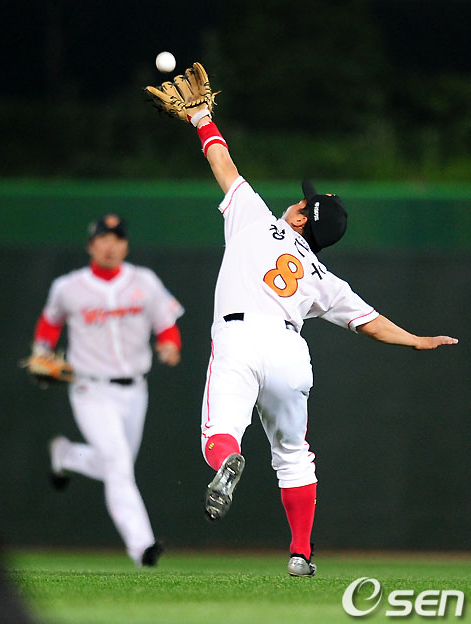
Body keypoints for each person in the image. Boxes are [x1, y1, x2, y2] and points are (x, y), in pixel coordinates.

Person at [146, 64, 459, 577]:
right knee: (294, 454)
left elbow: (222, 161)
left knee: (220, 433)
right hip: (290, 350)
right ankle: (300, 555)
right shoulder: (321, 276)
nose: (296, 201)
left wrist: (202, 118)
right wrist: (417, 340)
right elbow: (371, 322)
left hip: (239, 336)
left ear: (297, 218)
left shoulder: (254, 218)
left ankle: (227, 461)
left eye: (300, 202)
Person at [30, 214, 184, 568]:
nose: (110, 245)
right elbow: (49, 324)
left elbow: (166, 325)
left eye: (117, 238)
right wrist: (41, 352)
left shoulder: (144, 281)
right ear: (91, 245)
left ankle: (67, 455)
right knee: (117, 464)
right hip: (90, 388)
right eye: (103, 238)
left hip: (135, 390)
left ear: (125, 245)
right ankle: (142, 547)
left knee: (117, 465)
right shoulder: (68, 287)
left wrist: (170, 346)